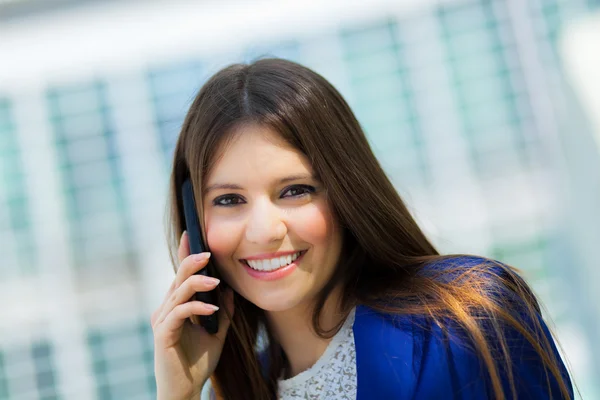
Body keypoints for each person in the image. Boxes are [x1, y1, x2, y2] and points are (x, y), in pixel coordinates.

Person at [151, 58, 574, 400]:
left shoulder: (466, 319)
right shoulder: (238, 391)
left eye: (295, 191)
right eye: (228, 200)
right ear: (195, 222)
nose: (263, 231)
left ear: (346, 192)